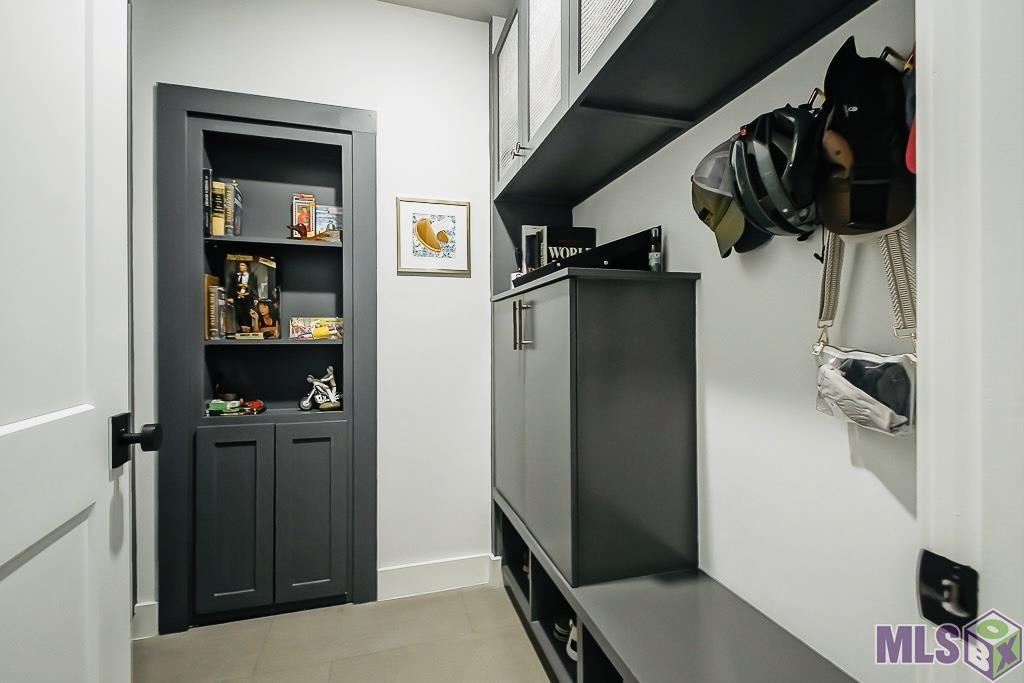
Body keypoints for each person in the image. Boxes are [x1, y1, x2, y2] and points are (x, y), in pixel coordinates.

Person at [227, 260, 259, 332]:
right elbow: (231, 287)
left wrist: (255, 298)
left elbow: (254, 287)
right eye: (240, 265)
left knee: (248, 314)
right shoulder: (235, 276)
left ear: (247, 267)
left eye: (243, 265)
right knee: (239, 314)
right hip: (238, 299)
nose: (241, 267)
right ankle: (241, 330)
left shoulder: (252, 276)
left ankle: (248, 330)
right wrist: (230, 297)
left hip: (248, 299)